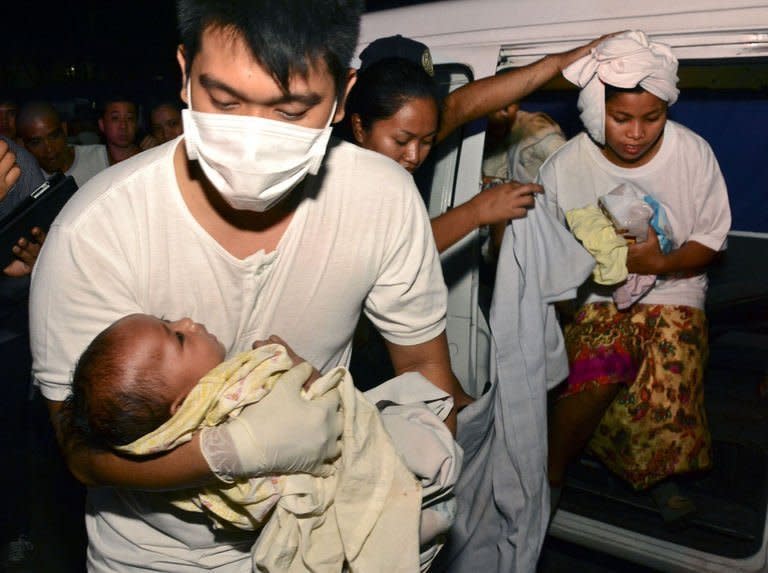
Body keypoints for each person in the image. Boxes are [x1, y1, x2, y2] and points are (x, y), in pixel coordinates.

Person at [30, 1, 467, 570]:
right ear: (185, 73)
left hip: (323, 541)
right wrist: (228, 453)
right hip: (151, 556)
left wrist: (408, 492)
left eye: (290, 111)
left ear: (342, 96)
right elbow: (81, 455)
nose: (254, 139)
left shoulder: (381, 199)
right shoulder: (98, 229)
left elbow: (426, 374)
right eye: (226, 102)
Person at [67, 313, 458, 570]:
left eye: (170, 321)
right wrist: (290, 369)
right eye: (179, 337)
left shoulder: (193, 412)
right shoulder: (218, 408)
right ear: (186, 405)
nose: (189, 321)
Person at [541, 30, 731, 522]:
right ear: (593, 111)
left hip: (675, 285)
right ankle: (550, 471)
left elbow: (709, 239)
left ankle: (657, 472)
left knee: (668, 361)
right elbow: (547, 253)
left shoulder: (692, 153)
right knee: (602, 366)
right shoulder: (564, 166)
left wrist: (658, 264)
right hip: (594, 295)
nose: (636, 133)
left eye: (653, 118)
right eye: (621, 118)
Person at [340, 34, 605, 253]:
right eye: (402, 140)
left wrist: (566, 60)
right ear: (359, 126)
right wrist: (476, 211)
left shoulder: (411, 129)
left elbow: (463, 104)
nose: (414, 156)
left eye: (428, 140)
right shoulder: (334, 178)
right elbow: (389, 256)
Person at [0, 136, 46, 569]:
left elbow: (28, 260)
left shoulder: (12, 159)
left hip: (7, 335)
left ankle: (15, 528)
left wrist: (36, 258)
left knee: (9, 441)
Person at [17, 101, 109, 186]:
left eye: (54, 136)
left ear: (64, 129)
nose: (49, 149)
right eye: (36, 142)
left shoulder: (102, 158)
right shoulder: (23, 184)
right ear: (23, 145)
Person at [98, 95, 141, 164]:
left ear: (137, 124)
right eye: (115, 118)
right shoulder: (88, 158)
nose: (123, 126)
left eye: (129, 118)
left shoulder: (148, 159)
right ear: (102, 124)